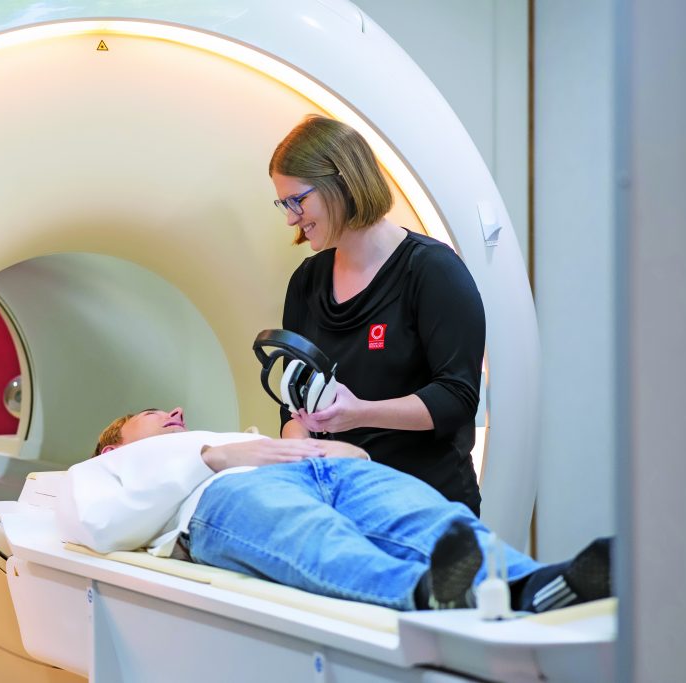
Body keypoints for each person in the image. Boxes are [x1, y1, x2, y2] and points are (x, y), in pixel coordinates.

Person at [57, 408, 611, 613]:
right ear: (114, 447)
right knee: (317, 539)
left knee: (436, 521)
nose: (174, 410)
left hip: (327, 470)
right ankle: (426, 593)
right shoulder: (99, 473)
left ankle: (532, 583)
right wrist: (218, 455)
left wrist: (343, 451)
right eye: (153, 413)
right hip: (221, 498)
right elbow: (100, 524)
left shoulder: (221, 431)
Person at [270, 116, 485, 514]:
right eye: (284, 203)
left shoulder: (432, 271)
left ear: (343, 182)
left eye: (298, 200)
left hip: (426, 503)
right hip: (339, 502)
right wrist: (297, 443)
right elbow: (293, 401)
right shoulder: (307, 281)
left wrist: (360, 414)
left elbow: (457, 397)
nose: (291, 217)